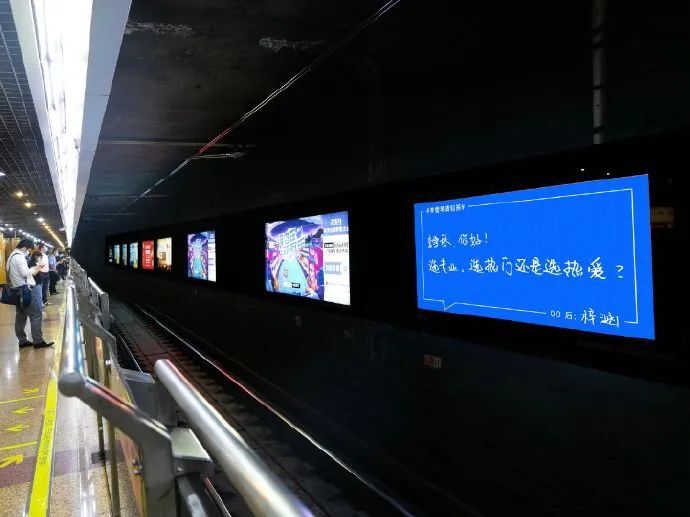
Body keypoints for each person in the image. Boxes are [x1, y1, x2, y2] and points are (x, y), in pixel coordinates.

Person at [5, 239, 54, 349]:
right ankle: (38, 341)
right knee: (36, 314)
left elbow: (9, 271)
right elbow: (25, 273)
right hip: (25, 289)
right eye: (28, 250)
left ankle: (22, 341)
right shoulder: (19, 257)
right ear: (24, 248)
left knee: (20, 316)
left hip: (16, 290)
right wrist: (35, 268)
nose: (28, 252)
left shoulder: (11, 256)